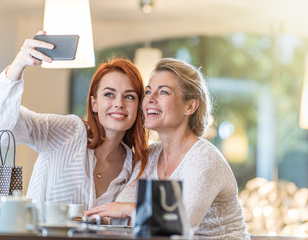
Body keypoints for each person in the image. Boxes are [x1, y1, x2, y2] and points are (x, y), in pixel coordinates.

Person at [0, 31, 148, 221]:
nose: (119, 103)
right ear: (94, 104)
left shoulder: (136, 167)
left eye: (129, 96)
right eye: (109, 94)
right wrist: (19, 64)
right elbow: (2, 127)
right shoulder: (69, 131)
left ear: (138, 106)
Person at [85, 58, 250, 239]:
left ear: (190, 106)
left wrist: (130, 209)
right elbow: (119, 219)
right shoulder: (150, 155)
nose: (150, 99)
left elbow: (178, 225)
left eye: (163, 92)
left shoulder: (204, 159)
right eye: (148, 92)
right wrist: (132, 212)